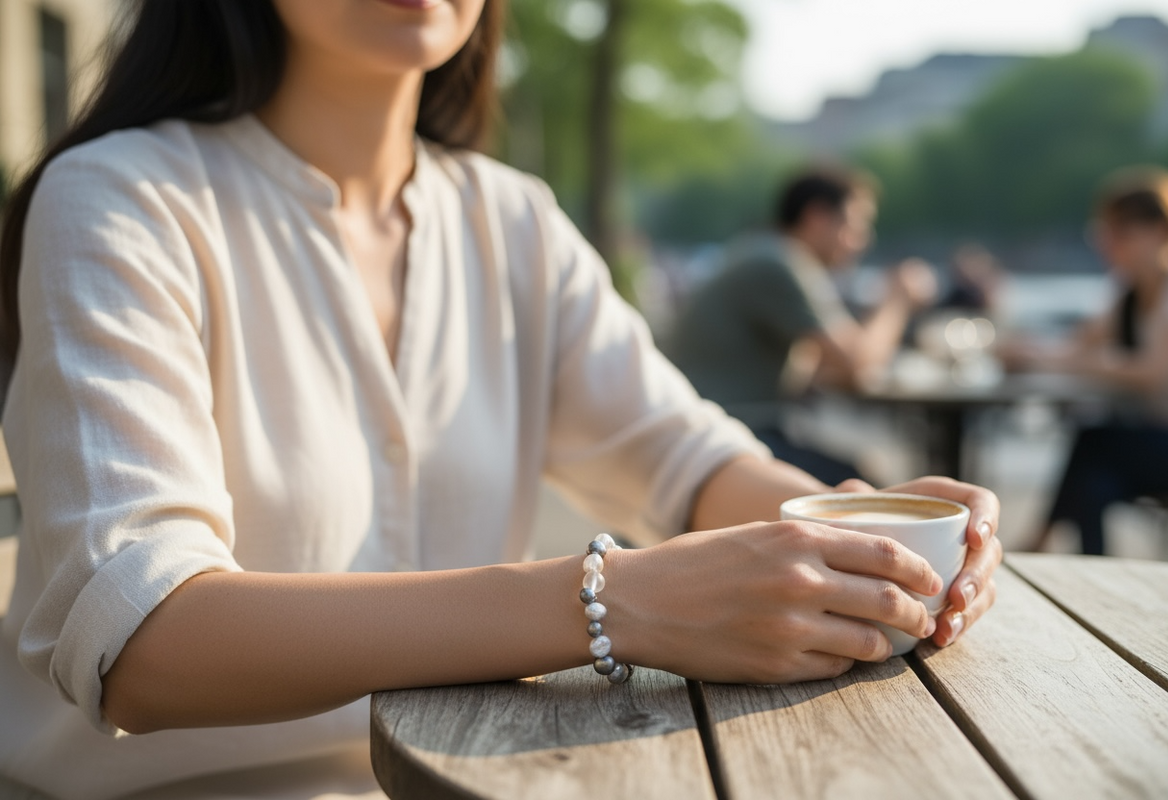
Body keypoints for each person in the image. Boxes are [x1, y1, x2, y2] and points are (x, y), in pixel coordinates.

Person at [0, 2, 1001, 797]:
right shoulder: (123, 199)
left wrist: (865, 534)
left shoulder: (510, 220)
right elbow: (139, 638)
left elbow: (685, 458)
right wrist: (612, 601)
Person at [665, 168, 937, 484]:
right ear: (817, 217)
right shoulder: (781, 262)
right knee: (858, 485)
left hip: (715, 432)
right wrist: (898, 298)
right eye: (856, 223)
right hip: (725, 438)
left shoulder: (764, 251)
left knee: (857, 474)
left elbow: (828, 369)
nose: (863, 240)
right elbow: (857, 363)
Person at [1010, 166, 1168, 555]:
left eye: (1121, 234)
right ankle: (1087, 571)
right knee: (1094, 483)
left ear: (1161, 231)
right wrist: (1026, 351)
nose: (1108, 245)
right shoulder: (1127, 289)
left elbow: (1152, 375)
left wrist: (1063, 362)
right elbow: (1074, 347)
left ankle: (1038, 543)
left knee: (1095, 441)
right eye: (1104, 233)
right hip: (1159, 441)